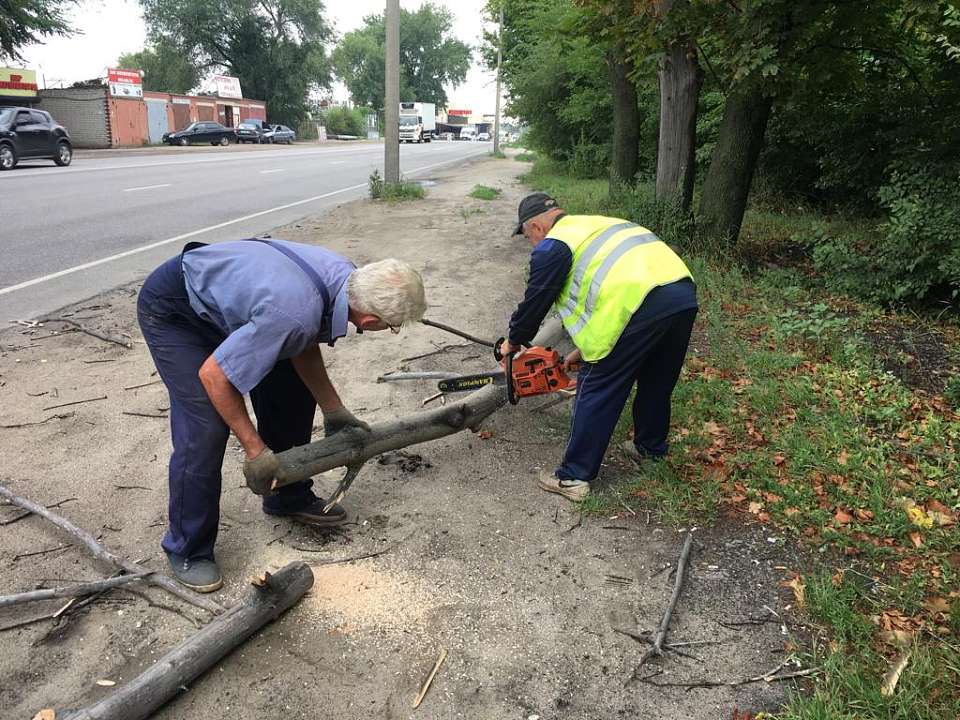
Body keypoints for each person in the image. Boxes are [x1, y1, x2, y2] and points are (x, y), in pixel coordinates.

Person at [137, 238, 426, 592]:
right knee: (206, 426)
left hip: (248, 305)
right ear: (370, 320)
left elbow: (301, 340)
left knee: (291, 388)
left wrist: (334, 410)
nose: (390, 331)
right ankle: (187, 548)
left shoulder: (348, 283)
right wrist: (256, 451)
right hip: (176, 309)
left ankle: (287, 495)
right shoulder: (293, 311)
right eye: (392, 326)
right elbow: (215, 376)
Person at [499, 193, 698, 502]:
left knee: (597, 386)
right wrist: (581, 351)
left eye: (528, 238)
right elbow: (609, 287)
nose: (532, 244)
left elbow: (535, 303)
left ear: (536, 227)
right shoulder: (596, 225)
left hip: (638, 305)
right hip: (681, 295)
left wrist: (512, 344)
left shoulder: (553, 245)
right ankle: (649, 450)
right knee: (656, 380)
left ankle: (573, 477)